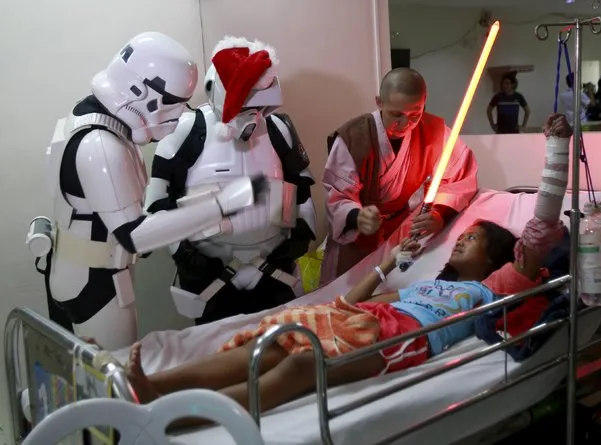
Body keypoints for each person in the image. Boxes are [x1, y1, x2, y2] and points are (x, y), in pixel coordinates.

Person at [125, 114, 572, 416]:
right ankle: (154, 385)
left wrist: (556, 152)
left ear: (496, 261)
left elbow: (539, 235)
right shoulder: (427, 285)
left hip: (400, 339)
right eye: (466, 233)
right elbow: (357, 302)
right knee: (267, 343)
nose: (462, 239)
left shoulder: (490, 292)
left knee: (301, 367)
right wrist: (383, 268)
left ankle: (178, 417)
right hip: (367, 319)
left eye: (472, 239)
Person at [27, 32, 266, 351]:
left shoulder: (90, 120)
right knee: (112, 376)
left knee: (90, 374)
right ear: (139, 91)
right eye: (175, 102)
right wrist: (220, 205)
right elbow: (135, 236)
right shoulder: (101, 146)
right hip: (96, 283)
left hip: (78, 271)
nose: (181, 114)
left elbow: (124, 215)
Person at [144, 36, 317, 324]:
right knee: (218, 358)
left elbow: (303, 190)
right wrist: (184, 255)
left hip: (276, 273)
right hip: (210, 281)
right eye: (249, 105)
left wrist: (301, 237)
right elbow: (158, 203)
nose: (256, 116)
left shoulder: (278, 127)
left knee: (280, 351)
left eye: (263, 106)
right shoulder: (185, 131)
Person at [320, 68, 478, 285]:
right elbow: (337, 195)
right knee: (347, 301)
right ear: (379, 102)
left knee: (394, 301)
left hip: (403, 235)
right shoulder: (353, 137)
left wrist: (439, 214)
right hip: (359, 238)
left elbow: (460, 178)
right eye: (396, 115)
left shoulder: (436, 132)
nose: (405, 125)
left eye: (415, 114)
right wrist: (356, 216)